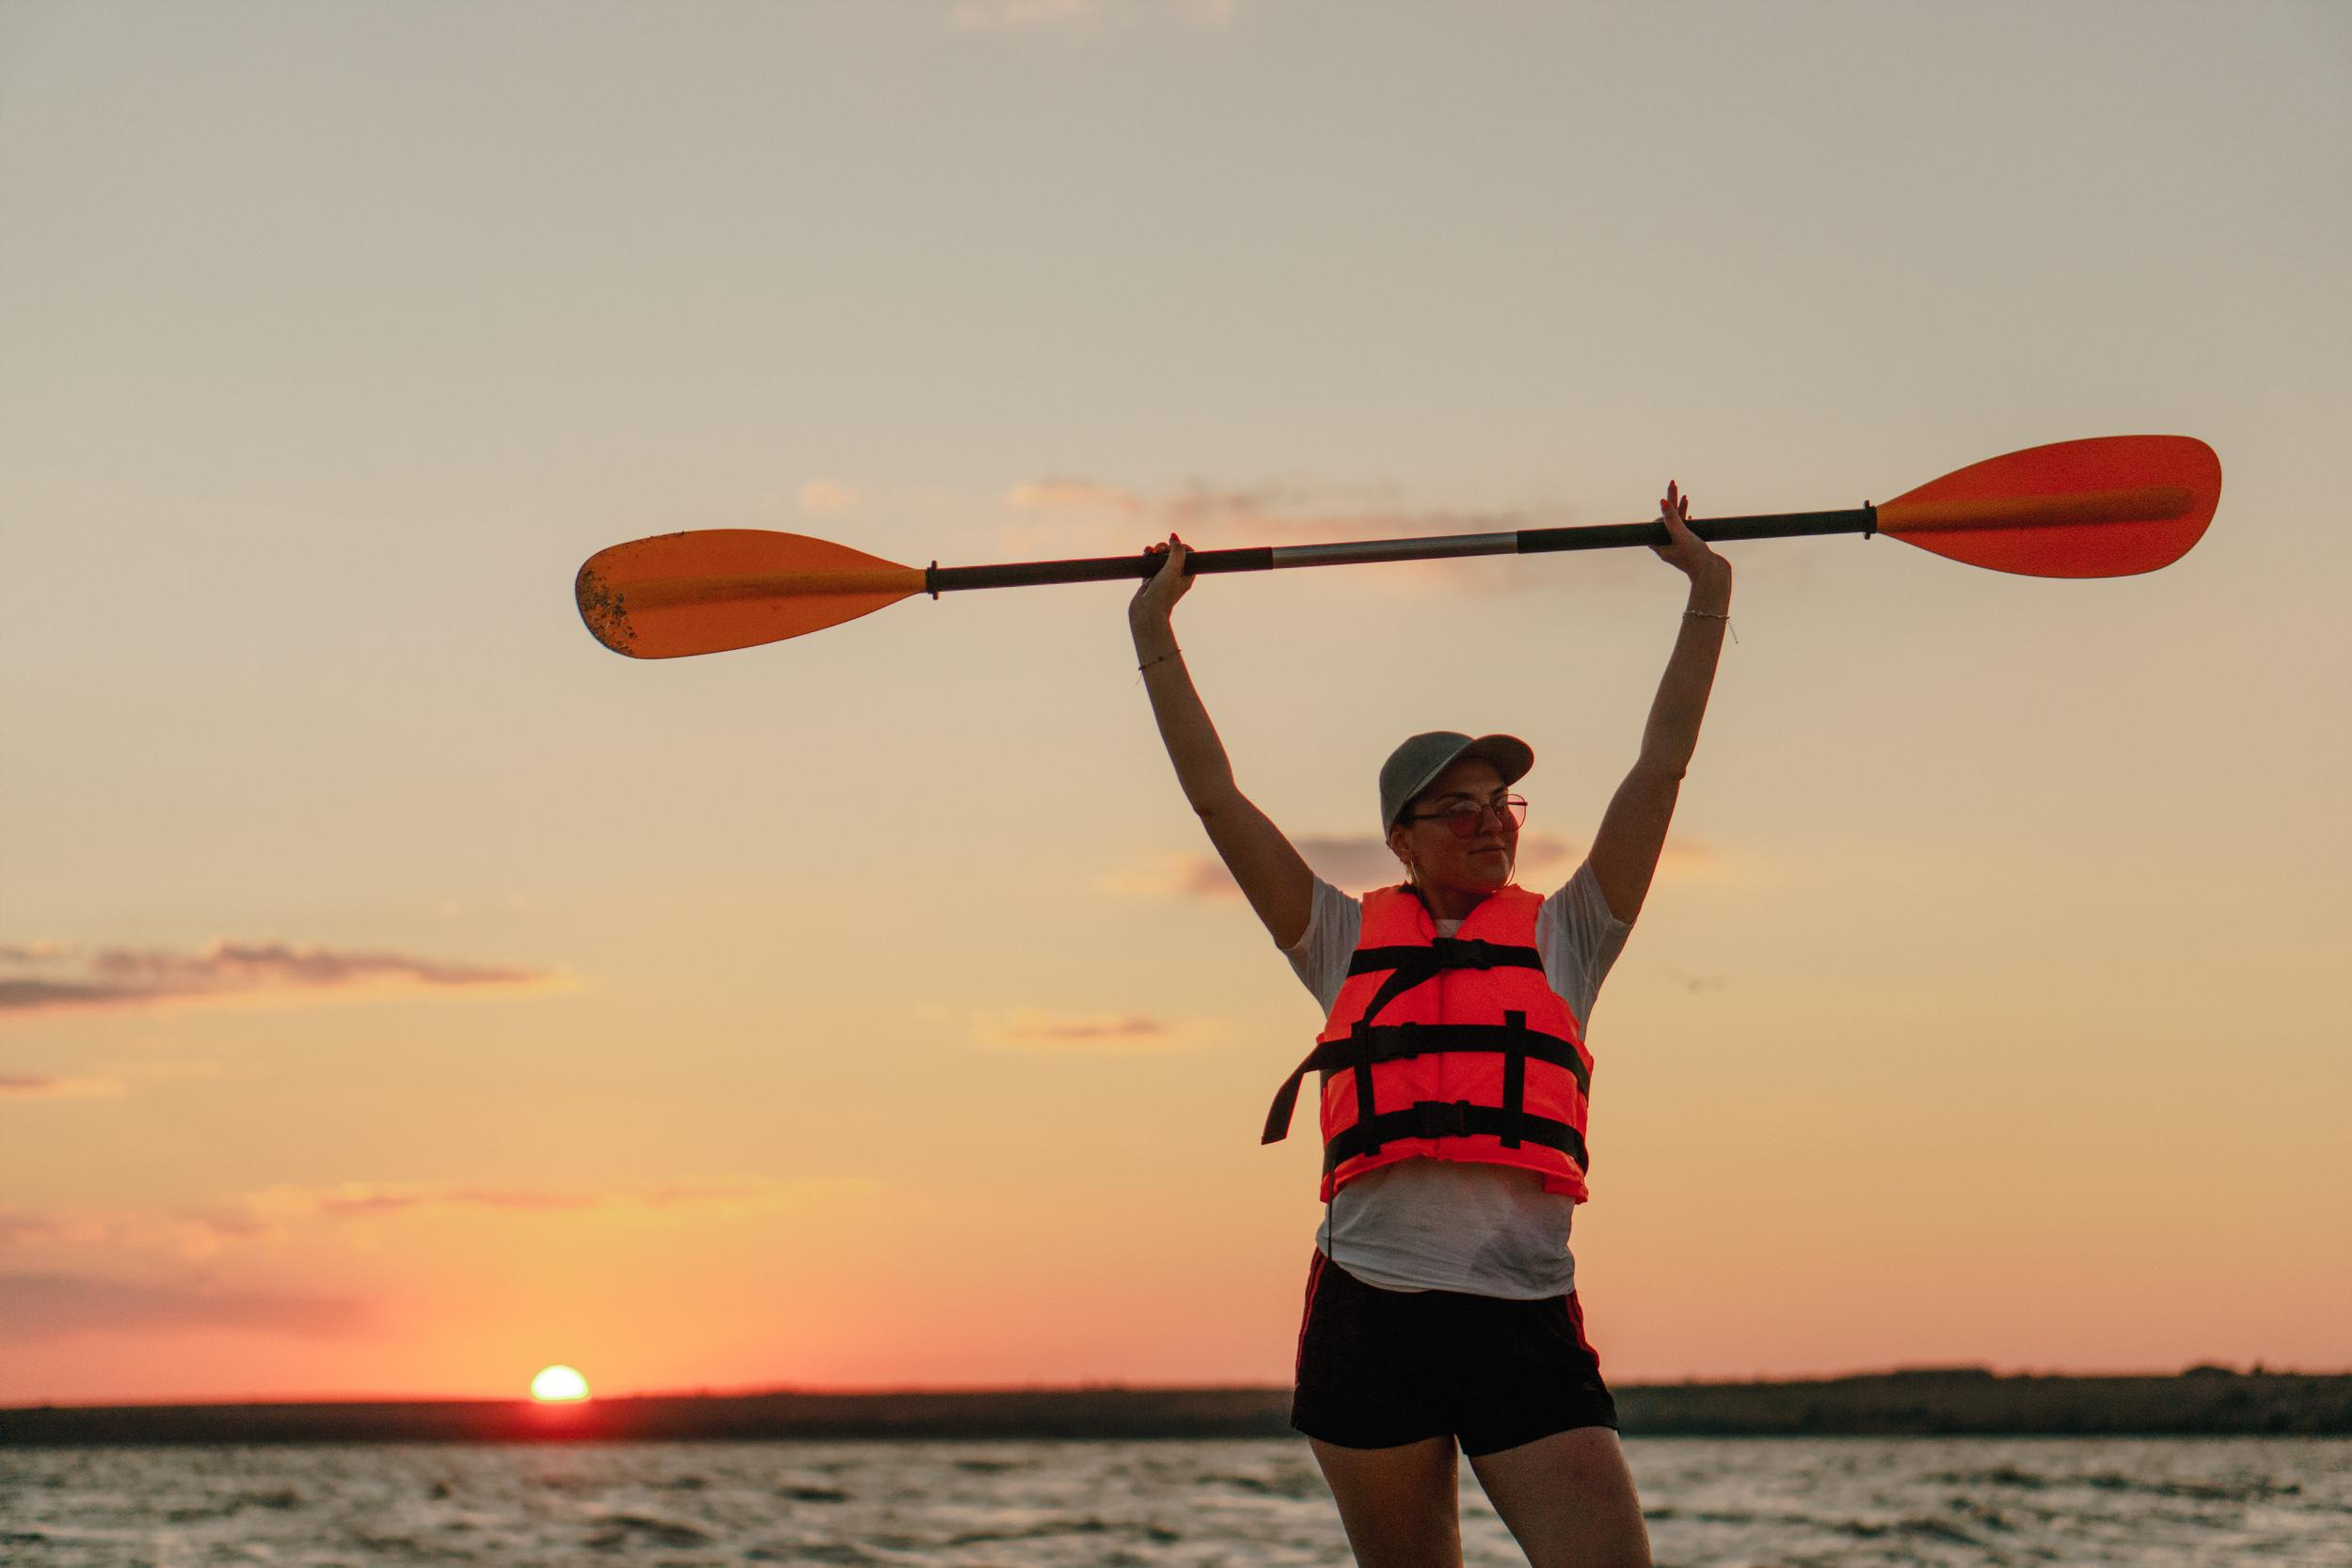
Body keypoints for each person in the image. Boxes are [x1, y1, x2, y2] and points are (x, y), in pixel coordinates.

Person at [1128, 482, 1730, 1568]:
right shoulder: (1337, 935)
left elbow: (1661, 764)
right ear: (1400, 839)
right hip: (1370, 1311)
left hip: (1521, 1313)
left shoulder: (1570, 936)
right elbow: (1216, 797)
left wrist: (1707, 594)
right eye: (1456, 805)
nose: (1489, 819)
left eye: (1499, 801)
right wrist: (1154, 633)